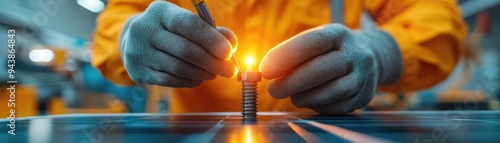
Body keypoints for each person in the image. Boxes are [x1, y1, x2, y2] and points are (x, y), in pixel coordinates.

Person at [92, 0, 466, 114]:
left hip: (327, 128)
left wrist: (384, 52)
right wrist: (131, 34)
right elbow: (118, 17)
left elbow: (435, 17)